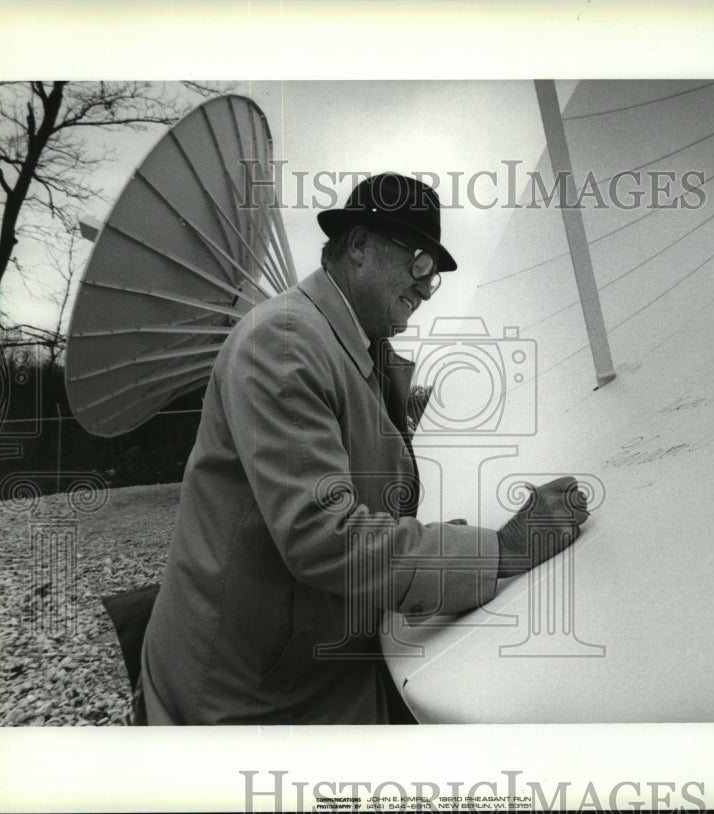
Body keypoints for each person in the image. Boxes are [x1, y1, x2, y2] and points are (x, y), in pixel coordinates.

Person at [138, 173, 589, 725]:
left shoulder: (352, 347)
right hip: (247, 696)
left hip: (312, 658)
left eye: (436, 277)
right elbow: (323, 537)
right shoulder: (282, 345)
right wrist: (502, 550)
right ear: (358, 247)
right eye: (420, 262)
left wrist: (431, 540)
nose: (426, 288)